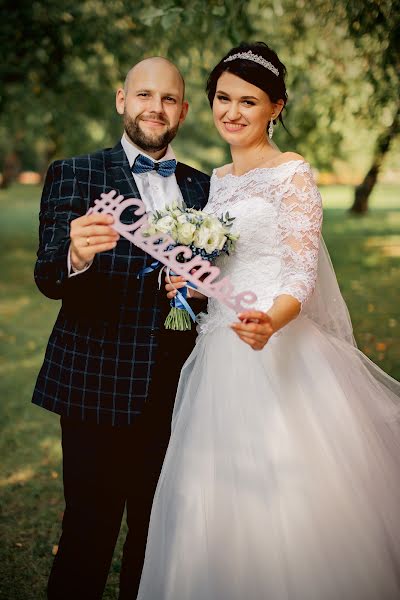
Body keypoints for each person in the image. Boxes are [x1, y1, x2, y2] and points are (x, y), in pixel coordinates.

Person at [136, 43, 400, 599]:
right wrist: (189, 281)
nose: (232, 112)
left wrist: (270, 323)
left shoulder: (293, 175)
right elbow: (223, 264)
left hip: (277, 346)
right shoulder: (219, 178)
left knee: (290, 496)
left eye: (248, 101)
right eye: (222, 98)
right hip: (218, 350)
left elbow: (300, 274)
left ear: (275, 107)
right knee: (216, 494)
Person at [32, 57, 210, 600]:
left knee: (158, 540)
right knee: (88, 533)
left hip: (180, 390)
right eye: (143, 96)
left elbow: (215, 286)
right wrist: (76, 256)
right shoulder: (76, 173)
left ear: (182, 109)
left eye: (168, 99)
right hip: (95, 386)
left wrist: (198, 291)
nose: (155, 108)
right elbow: (48, 276)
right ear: (121, 100)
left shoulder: (205, 190)